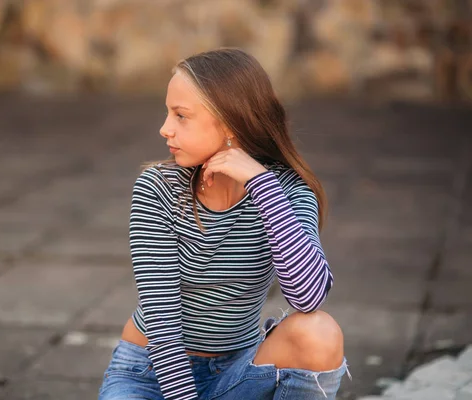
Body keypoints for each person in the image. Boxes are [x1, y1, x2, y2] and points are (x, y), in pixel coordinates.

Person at [98, 48, 352, 400]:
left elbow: (307, 299)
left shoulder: (287, 192)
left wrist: (263, 188)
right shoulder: (157, 188)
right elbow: (162, 319)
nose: (164, 128)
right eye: (167, 113)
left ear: (230, 123)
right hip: (150, 374)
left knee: (320, 332)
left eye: (181, 116)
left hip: (238, 375)